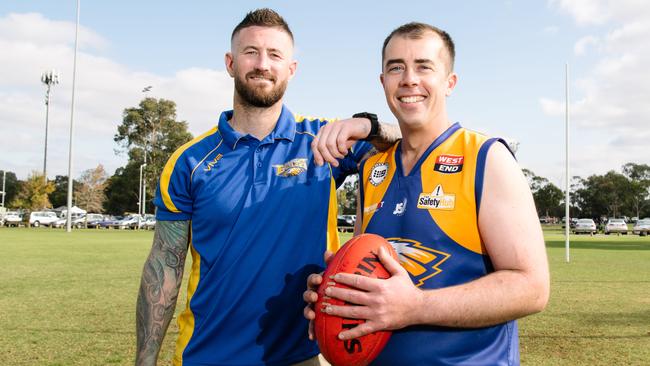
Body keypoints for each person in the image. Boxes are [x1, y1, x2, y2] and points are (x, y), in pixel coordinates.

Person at [134, 8, 400, 366]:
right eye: (251, 52)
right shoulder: (189, 161)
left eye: (275, 55)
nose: (263, 64)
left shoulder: (323, 141)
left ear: (291, 69)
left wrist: (368, 125)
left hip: (298, 356)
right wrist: (145, 359)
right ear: (230, 63)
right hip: (205, 355)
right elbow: (164, 267)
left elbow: (409, 138)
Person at [304, 22, 550, 365]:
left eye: (424, 66)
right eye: (395, 68)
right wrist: (339, 292)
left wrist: (415, 307)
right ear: (383, 82)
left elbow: (532, 288)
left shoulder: (486, 158)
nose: (408, 79)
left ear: (449, 82)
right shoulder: (372, 169)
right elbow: (368, 270)